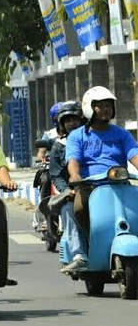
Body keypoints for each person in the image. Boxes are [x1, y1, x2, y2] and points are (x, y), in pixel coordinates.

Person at [66, 86, 138, 270]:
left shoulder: (121, 134)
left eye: (109, 105)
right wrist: (75, 176)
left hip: (120, 184)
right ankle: (90, 242)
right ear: (90, 108)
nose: (106, 109)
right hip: (90, 187)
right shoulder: (78, 136)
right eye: (101, 106)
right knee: (80, 208)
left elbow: (134, 155)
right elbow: (73, 161)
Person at [47, 101, 88, 272]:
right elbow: (55, 174)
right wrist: (66, 191)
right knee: (68, 210)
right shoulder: (58, 146)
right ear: (62, 124)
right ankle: (79, 255)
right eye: (68, 120)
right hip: (73, 191)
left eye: (75, 119)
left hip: (97, 188)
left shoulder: (90, 138)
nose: (72, 123)